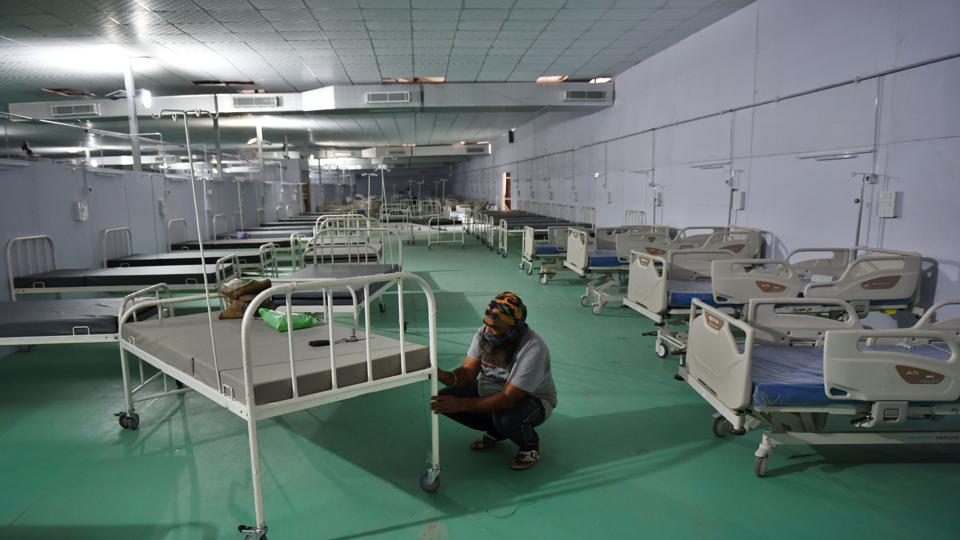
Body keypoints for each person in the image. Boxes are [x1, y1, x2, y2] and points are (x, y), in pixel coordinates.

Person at [431, 292, 557, 470]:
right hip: (492, 389)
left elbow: (508, 398)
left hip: (532, 399)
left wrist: (461, 404)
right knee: (443, 399)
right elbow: (467, 373)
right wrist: (441, 374)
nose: (488, 331)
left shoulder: (533, 349)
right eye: (486, 324)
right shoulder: (484, 333)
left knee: (505, 417)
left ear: (515, 327)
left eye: (495, 327)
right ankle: (497, 430)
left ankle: (530, 445)